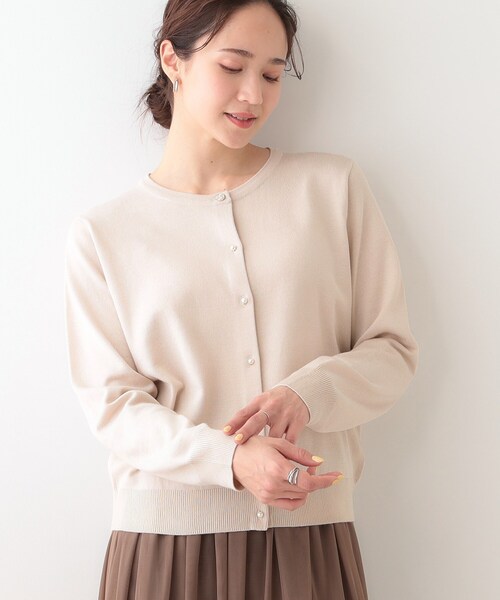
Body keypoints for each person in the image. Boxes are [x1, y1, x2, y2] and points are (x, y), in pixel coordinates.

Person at [63, 0, 419, 598]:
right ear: (173, 59)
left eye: (272, 75)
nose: (254, 95)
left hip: (309, 539)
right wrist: (228, 460)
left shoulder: (332, 189)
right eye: (232, 67)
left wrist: (310, 393)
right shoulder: (105, 234)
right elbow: (115, 408)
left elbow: (393, 350)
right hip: (166, 549)